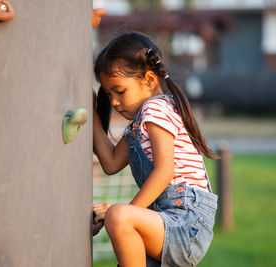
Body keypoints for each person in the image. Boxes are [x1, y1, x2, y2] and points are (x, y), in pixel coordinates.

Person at [92, 32, 218, 267]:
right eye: (109, 94)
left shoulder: (155, 109)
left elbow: (164, 172)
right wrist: (92, 111)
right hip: (166, 218)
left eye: (120, 91)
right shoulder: (138, 125)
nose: (115, 102)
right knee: (119, 215)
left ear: (149, 80)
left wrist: (122, 216)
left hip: (186, 220)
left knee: (119, 215)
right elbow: (109, 163)